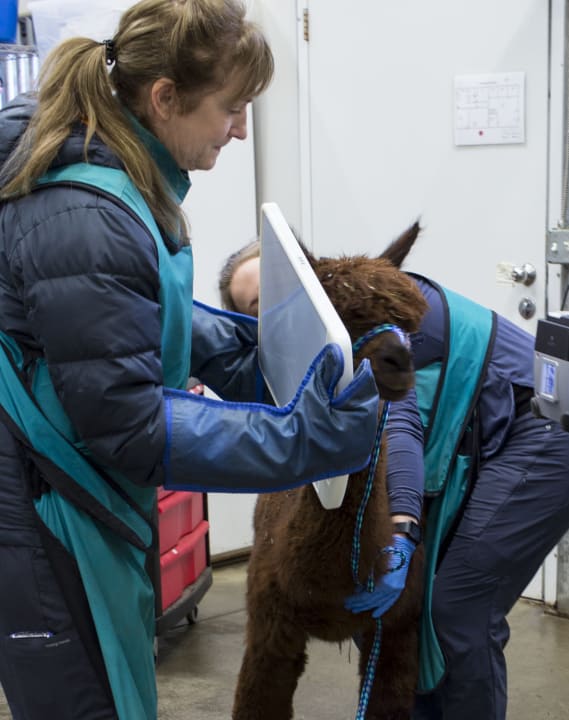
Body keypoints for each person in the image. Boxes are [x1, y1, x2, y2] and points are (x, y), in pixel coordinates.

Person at [0, 2, 379, 719]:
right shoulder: (84, 215)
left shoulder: (109, 165)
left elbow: (119, 315)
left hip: (69, 494)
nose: (239, 129)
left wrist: (250, 349)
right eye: (230, 108)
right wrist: (300, 441)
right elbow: (129, 423)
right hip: (45, 514)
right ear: (164, 99)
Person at [220, 237, 569, 719]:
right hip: (483, 438)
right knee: (412, 614)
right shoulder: (311, 344)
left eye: (278, 288)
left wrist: (402, 531)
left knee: (457, 611)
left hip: (547, 437)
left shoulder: (371, 307)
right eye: (257, 306)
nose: (276, 306)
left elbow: (398, 423)